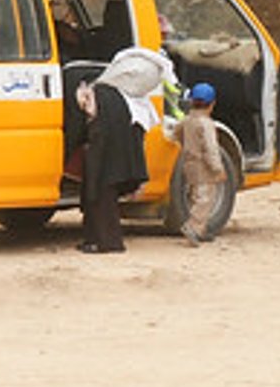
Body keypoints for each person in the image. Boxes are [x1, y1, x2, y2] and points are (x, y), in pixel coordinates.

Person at [76, 46, 175, 253]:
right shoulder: (134, 101)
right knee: (101, 199)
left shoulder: (99, 94)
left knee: (101, 200)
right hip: (120, 158)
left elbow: (98, 129)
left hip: (105, 156)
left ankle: (108, 243)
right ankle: (93, 241)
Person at [177, 82, 226, 247]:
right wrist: (218, 168)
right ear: (212, 104)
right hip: (203, 167)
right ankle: (193, 227)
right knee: (204, 199)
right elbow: (211, 149)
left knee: (194, 196)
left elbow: (175, 134)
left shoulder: (186, 121)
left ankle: (201, 230)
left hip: (189, 163)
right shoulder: (206, 124)